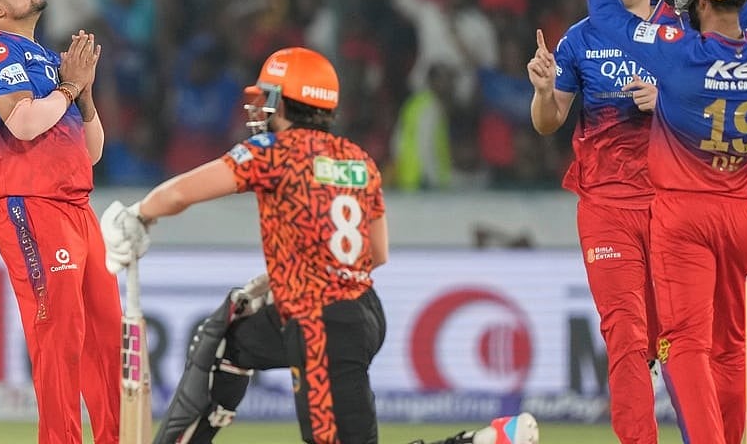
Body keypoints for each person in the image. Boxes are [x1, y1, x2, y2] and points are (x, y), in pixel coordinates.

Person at [99, 47, 539, 444]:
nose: (260, 107)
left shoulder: (272, 152)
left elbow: (181, 193)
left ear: (285, 101)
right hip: (355, 309)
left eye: (268, 96)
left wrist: (140, 214)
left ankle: (482, 443)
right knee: (228, 340)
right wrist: (287, 273)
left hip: (320, 324)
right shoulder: (357, 158)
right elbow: (377, 253)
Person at [580, 0, 747, 444]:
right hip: (743, 216)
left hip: (683, 216)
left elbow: (605, 17)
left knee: (683, 343)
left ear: (702, 3)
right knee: (733, 344)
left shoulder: (677, 55)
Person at [528, 0, 687, 444]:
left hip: (672, 206)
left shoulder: (682, 32)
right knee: (624, 334)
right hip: (605, 206)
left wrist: (667, 102)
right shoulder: (581, 37)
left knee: (677, 342)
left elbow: (716, 118)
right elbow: (549, 123)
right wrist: (543, 91)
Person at [0, 0, 121, 444]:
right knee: (60, 337)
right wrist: (70, 87)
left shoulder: (50, 62)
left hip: (77, 206)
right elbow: (24, 123)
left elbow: (91, 153)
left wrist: (84, 94)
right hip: (30, 205)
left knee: (106, 335)